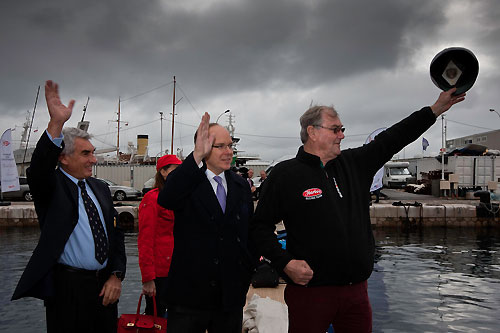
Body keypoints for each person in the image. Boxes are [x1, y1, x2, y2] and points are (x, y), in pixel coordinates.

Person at [250, 88, 465, 333]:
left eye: (343, 129)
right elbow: (259, 227)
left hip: (356, 294)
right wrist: (285, 263)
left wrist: (434, 110)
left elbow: (394, 137)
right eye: (335, 129)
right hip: (311, 294)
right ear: (312, 132)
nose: (342, 135)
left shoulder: (355, 163)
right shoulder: (285, 175)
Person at [11, 80, 126, 333]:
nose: (94, 160)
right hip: (67, 290)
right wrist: (56, 125)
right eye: (86, 154)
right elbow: (39, 169)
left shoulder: (100, 188)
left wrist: (116, 275)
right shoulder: (51, 187)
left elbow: (115, 236)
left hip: (105, 290)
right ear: (63, 158)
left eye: (93, 152)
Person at [157, 113, 254, 333]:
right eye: (220, 146)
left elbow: (249, 232)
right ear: (202, 147)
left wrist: (246, 270)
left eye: (230, 145)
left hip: (229, 298)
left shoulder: (240, 186)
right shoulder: (186, 180)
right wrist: (195, 157)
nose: (229, 151)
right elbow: (167, 199)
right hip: (189, 297)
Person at [138, 154, 181, 317]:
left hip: (178, 270)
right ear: (163, 172)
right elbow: (145, 240)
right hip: (160, 274)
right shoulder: (152, 199)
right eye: (175, 170)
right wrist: (148, 278)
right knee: (156, 316)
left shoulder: (181, 198)